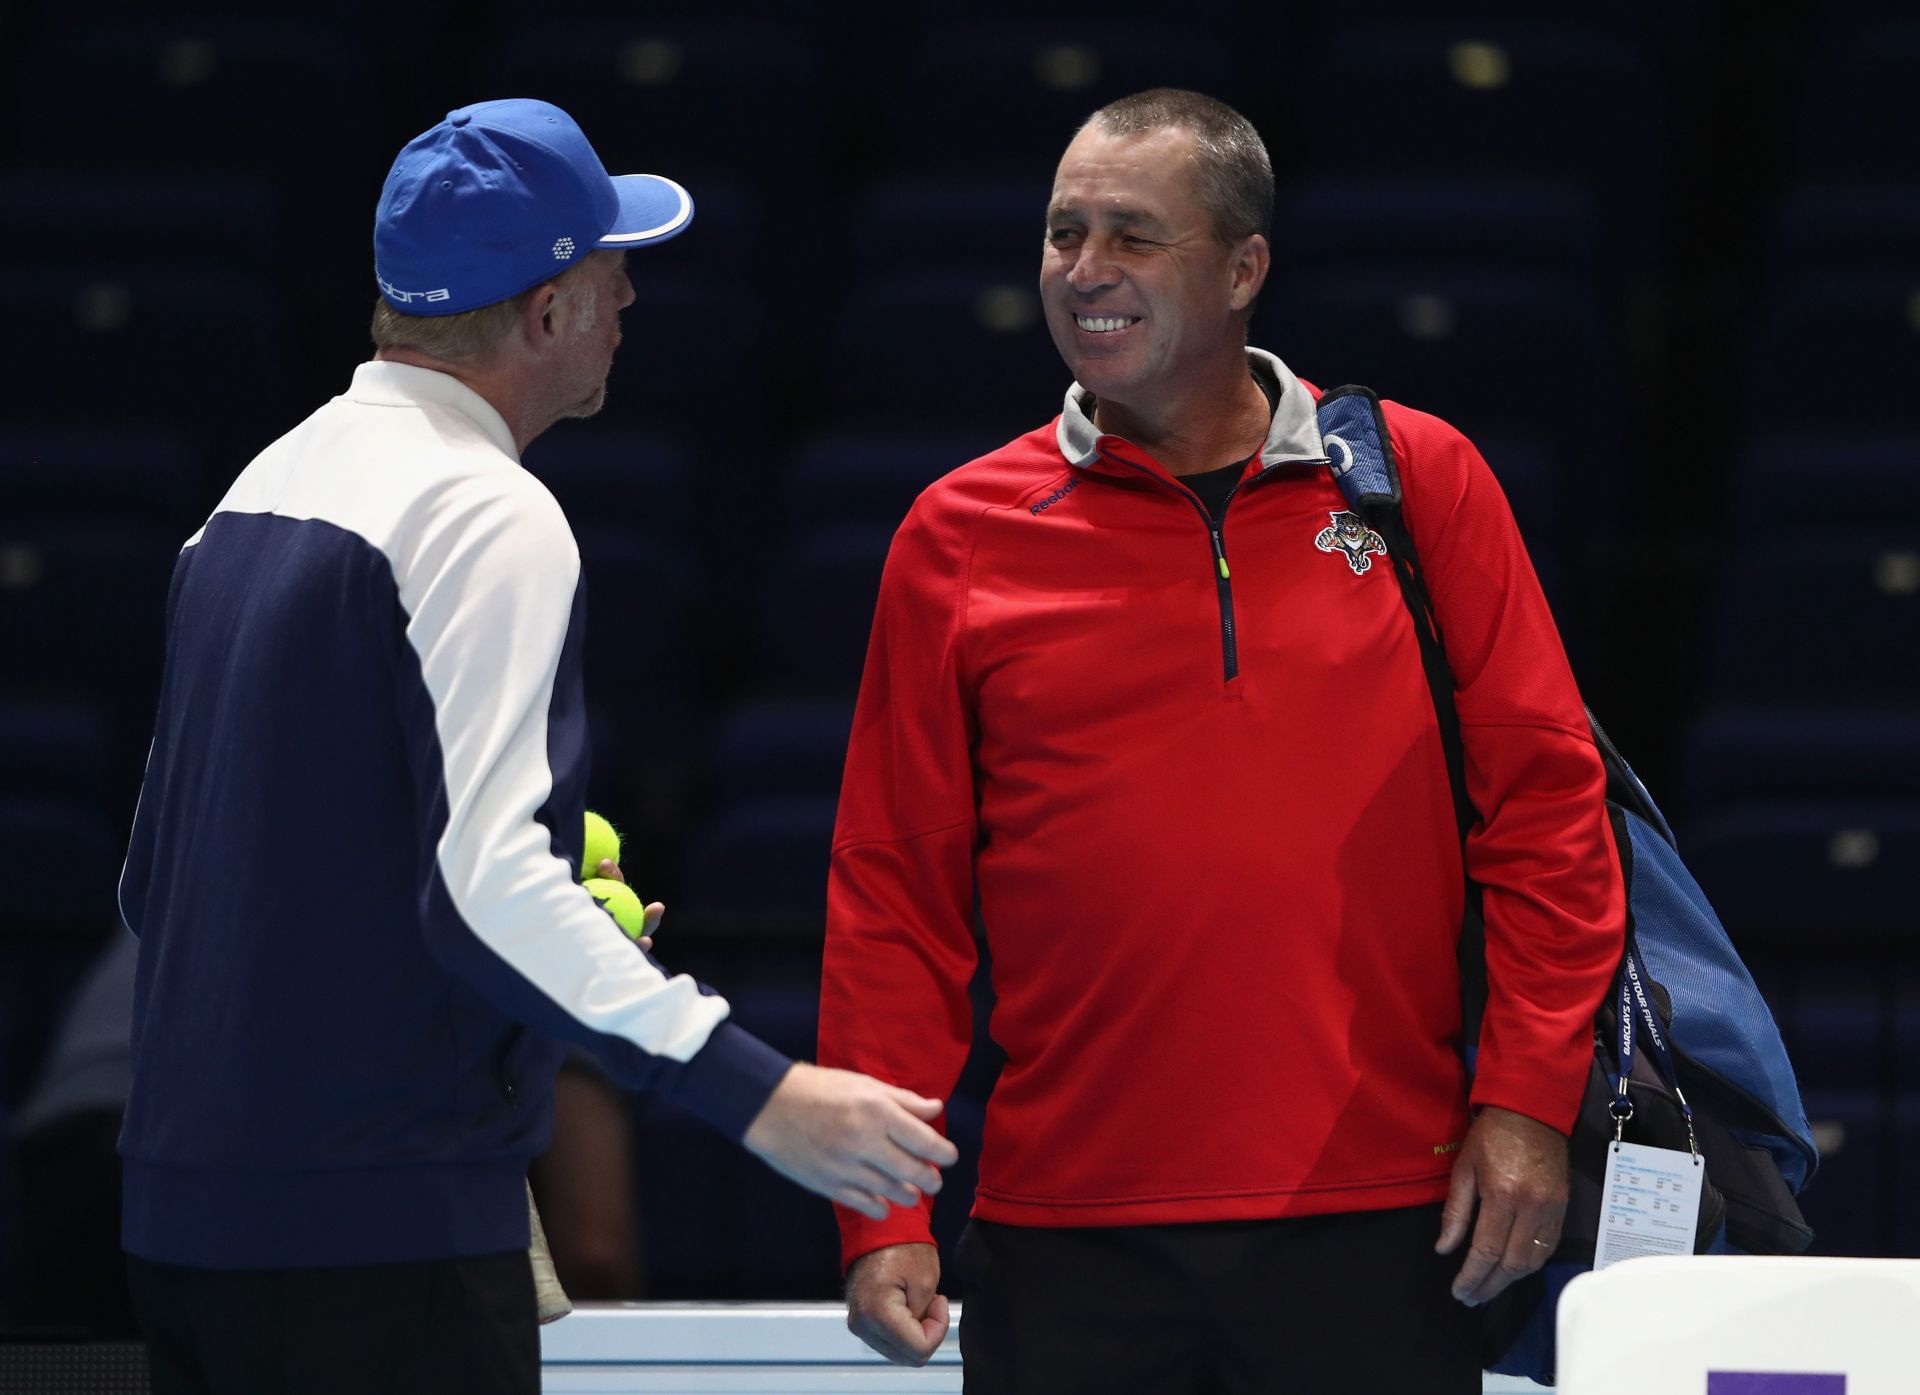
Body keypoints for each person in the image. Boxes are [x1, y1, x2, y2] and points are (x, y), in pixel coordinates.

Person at [116, 98, 956, 1395]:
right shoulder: (487, 509)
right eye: (612, 276)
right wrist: (758, 1094)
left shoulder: (255, 492)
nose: (628, 304)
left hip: (187, 1223)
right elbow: (484, 888)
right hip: (380, 1241)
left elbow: (160, 884)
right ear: (548, 312)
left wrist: (525, 980)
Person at [819, 88, 1624, 1392]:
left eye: (1133, 238)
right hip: (1065, 1237)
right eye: (1061, 233)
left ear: (1246, 267)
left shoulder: (1420, 481)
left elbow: (1545, 810)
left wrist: (1528, 1103)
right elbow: (893, 900)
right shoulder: (955, 535)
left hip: (1378, 1217)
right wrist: (880, 1210)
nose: (1085, 273)